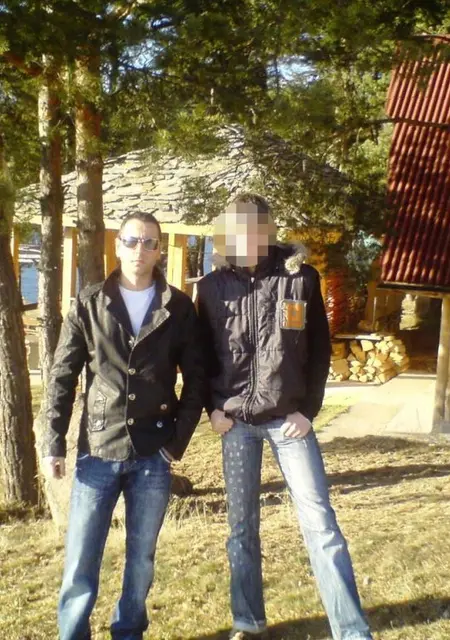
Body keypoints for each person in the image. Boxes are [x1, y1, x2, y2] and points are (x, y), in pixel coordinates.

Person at [197, 194, 372, 640]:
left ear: (268, 230)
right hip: (237, 425)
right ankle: (248, 621)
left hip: (290, 424)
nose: (247, 236)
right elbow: (201, 356)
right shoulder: (212, 287)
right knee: (241, 528)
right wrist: (212, 408)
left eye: (256, 227)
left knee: (321, 524)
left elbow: (319, 351)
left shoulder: (301, 279)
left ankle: (351, 630)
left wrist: (309, 411)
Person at [42, 211, 205, 640]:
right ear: (118, 245)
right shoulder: (89, 302)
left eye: (149, 242)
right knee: (81, 560)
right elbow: (62, 377)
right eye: (132, 241)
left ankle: (129, 632)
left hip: (153, 453)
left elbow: (198, 381)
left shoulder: (178, 308)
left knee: (141, 560)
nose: (139, 250)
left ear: (159, 249)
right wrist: (53, 442)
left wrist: (175, 444)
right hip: (98, 448)